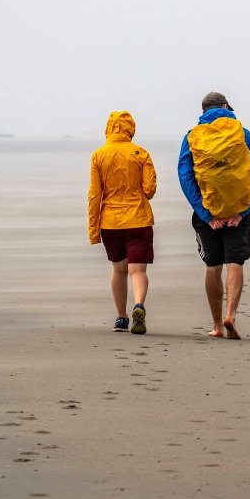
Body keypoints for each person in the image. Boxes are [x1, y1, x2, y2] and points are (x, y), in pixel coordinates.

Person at [178, 92, 250, 339]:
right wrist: (243, 210)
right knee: (235, 261)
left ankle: (217, 325)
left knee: (212, 265)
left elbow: (185, 176)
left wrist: (205, 214)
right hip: (237, 211)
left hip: (209, 212)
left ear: (203, 111)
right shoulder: (242, 133)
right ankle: (231, 316)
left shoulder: (192, 137)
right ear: (226, 106)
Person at [88, 111, 157, 334]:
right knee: (138, 271)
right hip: (138, 219)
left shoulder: (99, 155)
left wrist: (93, 231)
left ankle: (121, 317)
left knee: (119, 270)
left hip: (111, 222)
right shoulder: (140, 153)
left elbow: (94, 195)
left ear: (108, 128)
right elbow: (150, 189)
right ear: (130, 128)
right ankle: (139, 304)